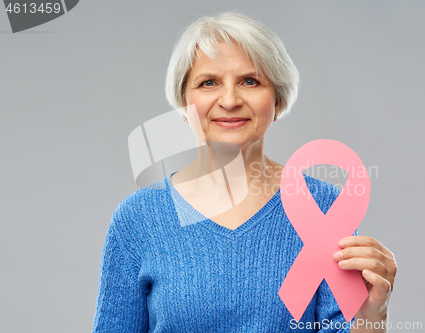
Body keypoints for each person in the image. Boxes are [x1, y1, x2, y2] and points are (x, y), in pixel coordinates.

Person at [92, 12, 397, 333]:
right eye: (208, 82)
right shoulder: (138, 218)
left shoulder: (322, 205)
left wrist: (372, 314)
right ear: (184, 102)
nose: (230, 100)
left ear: (277, 100)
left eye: (250, 81)